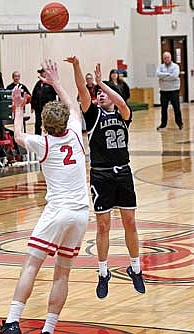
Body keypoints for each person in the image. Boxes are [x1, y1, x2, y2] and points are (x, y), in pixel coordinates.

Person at [0, 60, 88, 334]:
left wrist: (18, 106)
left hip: (57, 212)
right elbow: (72, 105)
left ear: (46, 125)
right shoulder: (75, 134)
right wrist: (56, 81)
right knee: (62, 273)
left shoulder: (43, 142)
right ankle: (48, 329)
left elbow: (19, 135)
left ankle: (13, 321)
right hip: (81, 214)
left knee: (32, 266)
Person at [67, 56, 146, 299]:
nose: (100, 96)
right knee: (103, 225)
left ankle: (136, 268)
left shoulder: (124, 114)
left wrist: (102, 84)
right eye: (98, 94)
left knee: (130, 222)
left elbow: (121, 102)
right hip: (101, 176)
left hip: (123, 172)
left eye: (103, 94)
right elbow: (82, 90)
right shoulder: (93, 117)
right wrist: (77, 67)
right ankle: (103, 272)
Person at [156, 51, 183, 131]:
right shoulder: (160, 67)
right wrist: (168, 74)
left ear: (170, 58)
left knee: (176, 108)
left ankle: (179, 123)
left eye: (168, 57)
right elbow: (158, 74)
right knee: (163, 109)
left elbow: (174, 76)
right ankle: (163, 125)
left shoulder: (175, 66)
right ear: (163, 59)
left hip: (174, 91)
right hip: (164, 91)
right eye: (165, 58)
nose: (166, 59)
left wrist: (163, 77)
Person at [31, 68, 58, 135]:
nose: (41, 74)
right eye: (40, 73)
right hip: (38, 108)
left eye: (42, 72)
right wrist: (32, 106)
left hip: (48, 108)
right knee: (38, 123)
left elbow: (58, 93)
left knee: (50, 122)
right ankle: (37, 136)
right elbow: (34, 95)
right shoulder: (38, 84)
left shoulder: (51, 83)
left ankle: (51, 136)